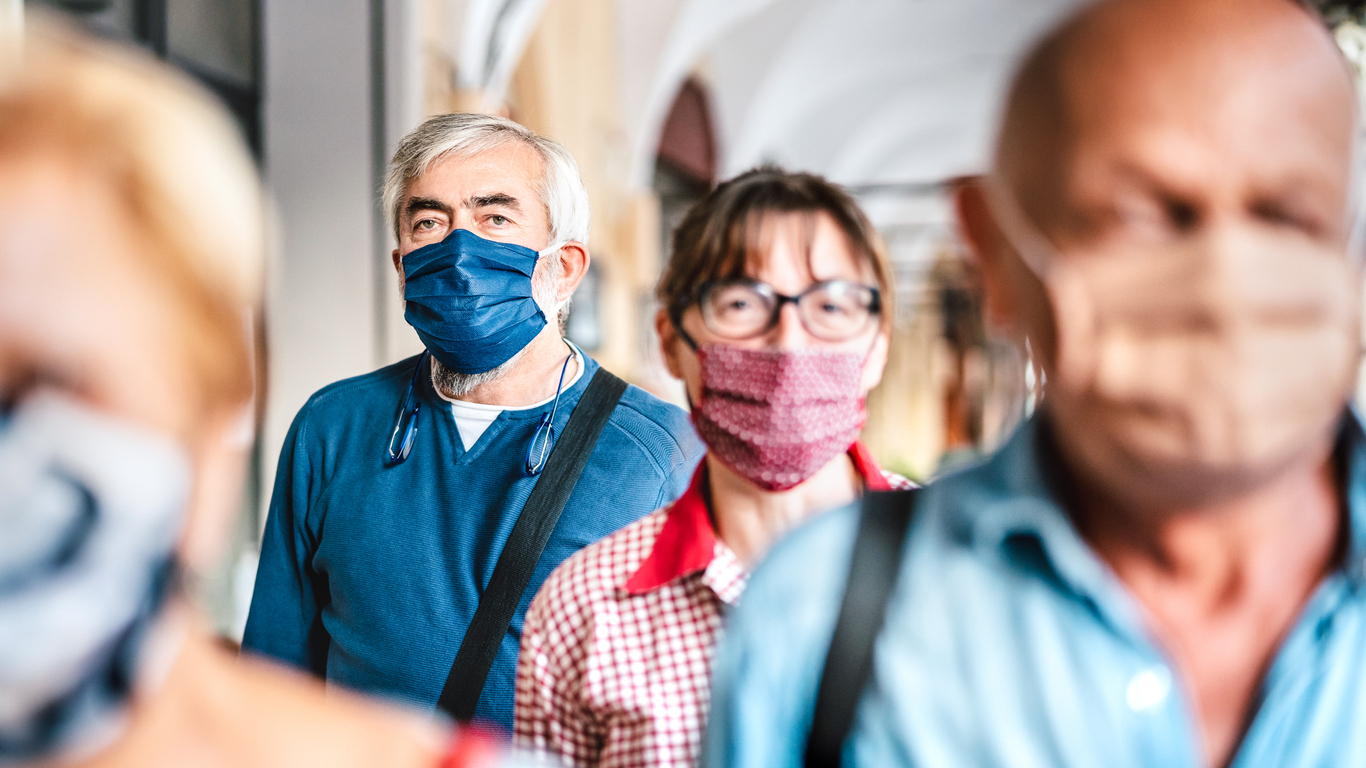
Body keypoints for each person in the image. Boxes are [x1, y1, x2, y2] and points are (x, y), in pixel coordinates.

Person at [705, 1, 1366, 766]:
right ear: (994, 249)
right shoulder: (818, 620)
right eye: (1146, 213)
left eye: (1288, 215)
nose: (1225, 278)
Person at [0, 24, 507, 767]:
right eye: (431, 222)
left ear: (218, 408)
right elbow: (282, 635)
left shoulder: (644, 442)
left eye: (53, 379)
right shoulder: (337, 425)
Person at [242, 113, 704, 729]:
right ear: (403, 266)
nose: (458, 251)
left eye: (495, 218)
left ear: (563, 267)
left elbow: (691, 707)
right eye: (429, 222)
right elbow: (270, 684)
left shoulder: (662, 452)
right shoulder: (334, 428)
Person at [513, 167, 913, 767]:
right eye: (740, 303)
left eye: (831, 305)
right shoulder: (584, 607)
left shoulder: (971, 564)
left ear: (877, 346)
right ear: (671, 339)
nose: (788, 342)